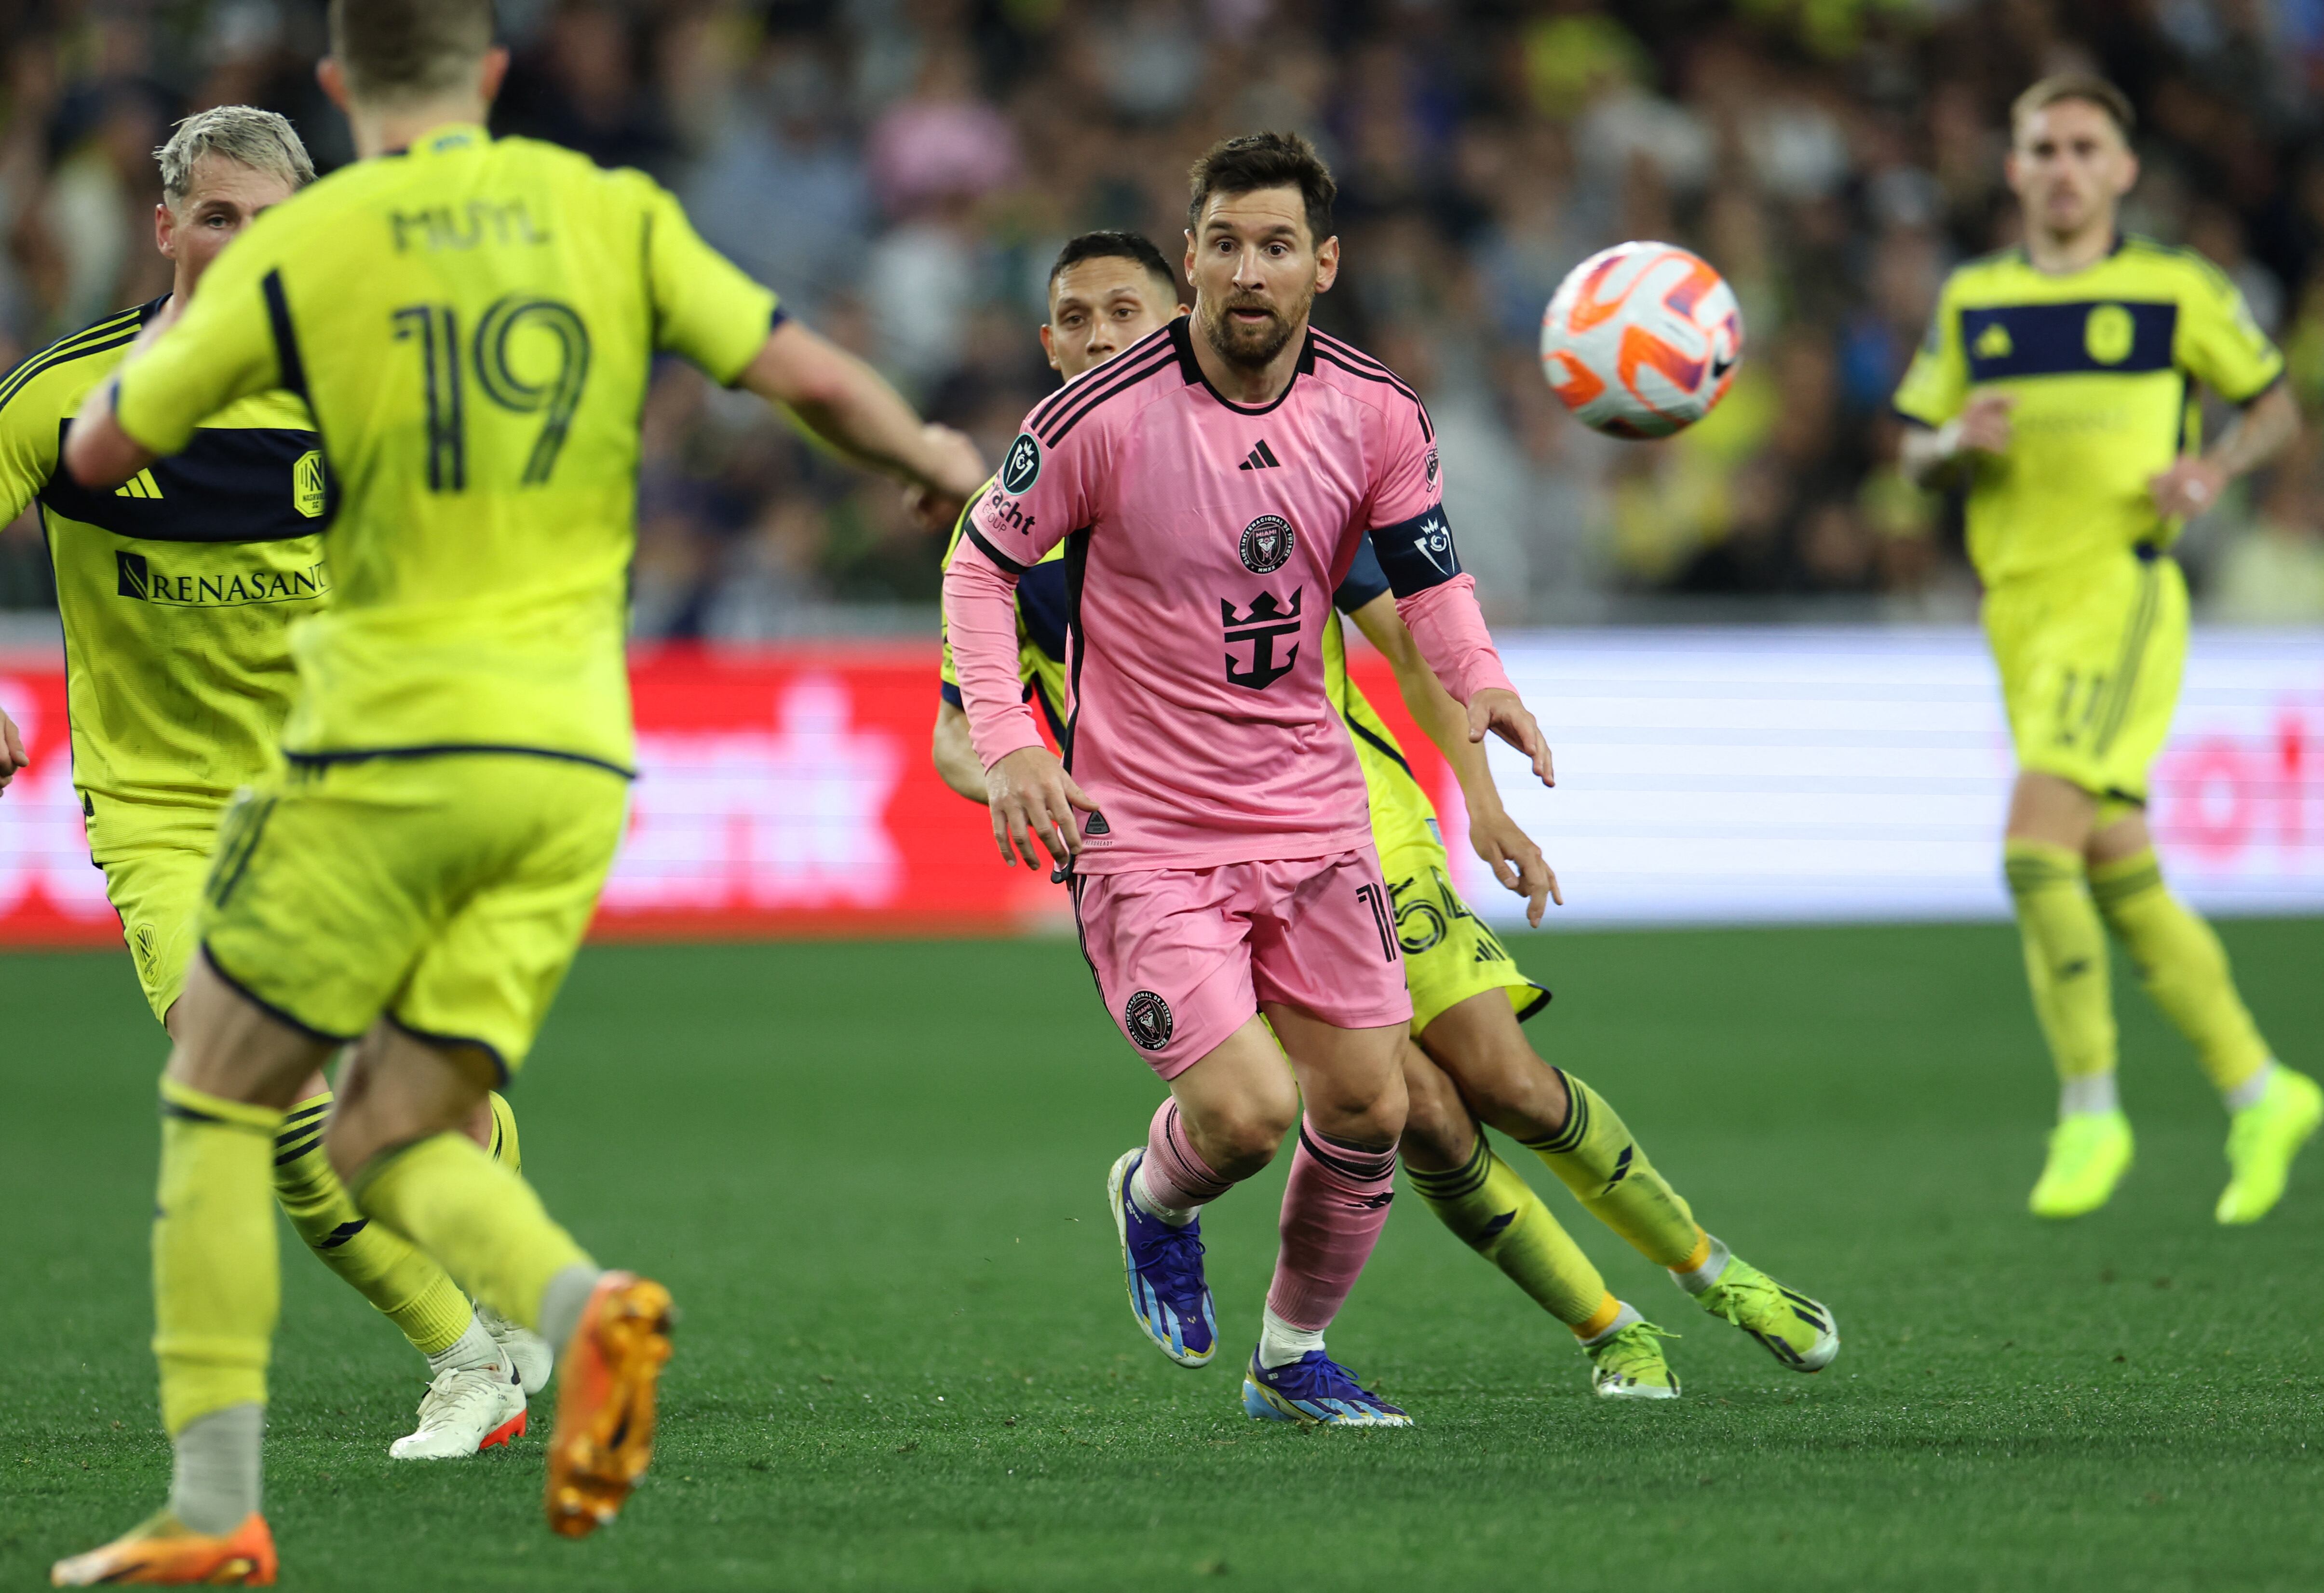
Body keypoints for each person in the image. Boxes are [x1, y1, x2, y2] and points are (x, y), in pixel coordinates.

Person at [51, 0, 985, 1581]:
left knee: (224, 1092)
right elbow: (799, 368)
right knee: (399, 1121)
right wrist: (934, 457)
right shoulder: (609, 214)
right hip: (572, 753)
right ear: (491, 81)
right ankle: (575, 1309)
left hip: (387, 742)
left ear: (343, 91)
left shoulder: (309, 249)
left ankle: (213, 1512)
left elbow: (100, 446)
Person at [937, 229, 1837, 1401]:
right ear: (1049, 342)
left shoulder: (1273, 452)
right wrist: (1018, 771)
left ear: (1179, 320)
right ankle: (1608, 1328)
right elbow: (963, 723)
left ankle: (1716, 1270)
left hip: (1354, 820)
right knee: (1411, 1113)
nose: (1104, 338)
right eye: (1079, 319)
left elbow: (1413, 636)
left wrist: (1484, 799)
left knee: (1504, 1078)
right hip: (1179, 846)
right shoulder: (1016, 526)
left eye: (1128, 315)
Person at [946, 131, 1555, 1429]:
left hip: (1313, 817)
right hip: (1149, 835)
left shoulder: (1375, 411)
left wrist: (1483, 678)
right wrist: (1006, 744)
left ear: (1321, 264)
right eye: (1222, 243)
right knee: (1243, 1115)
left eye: (1275, 244)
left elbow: (1429, 579)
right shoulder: (1094, 419)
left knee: (1368, 1103)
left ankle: (1290, 1356)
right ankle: (1151, 1197)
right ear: (1192, 258)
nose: (1247, 270)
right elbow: (977, 566)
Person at [0, 104, 552, 1464]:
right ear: (164, 227)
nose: (244, 244)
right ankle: (466, 1363)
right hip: (165, 810)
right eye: (217, 217)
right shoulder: (63, 397)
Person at [1897, 73, 2319, 1224]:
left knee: (2035, 850)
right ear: (2016, 168)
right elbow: (1910, 452)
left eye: (2086, 147)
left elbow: (2274, 402)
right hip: (2015, 607)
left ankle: (2090, 1106)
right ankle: (2260, 1085)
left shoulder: (2174, 288)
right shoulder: (1974, 299)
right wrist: (1949, 442)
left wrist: (2216, 470)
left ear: (2123, 170)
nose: (2064, 167)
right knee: (2117, 870)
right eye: (2043, 148)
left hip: (2118, 596)